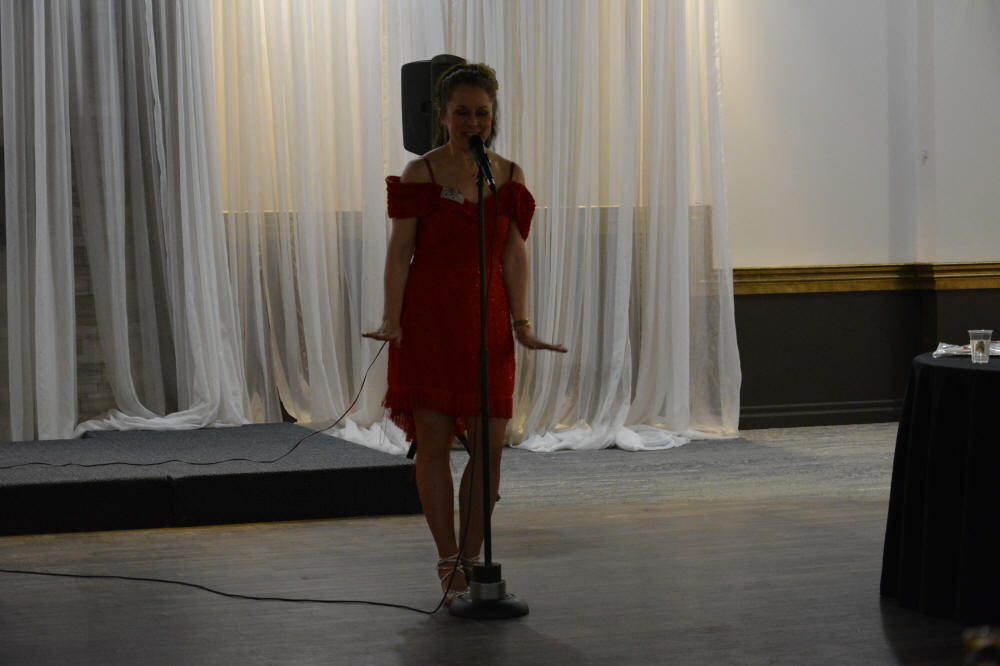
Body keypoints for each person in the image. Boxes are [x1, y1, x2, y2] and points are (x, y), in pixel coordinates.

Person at [363, 63, 566, 603]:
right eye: (462, 113)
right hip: (430, 323)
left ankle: (474, 558)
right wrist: (391, 317)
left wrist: (522, 323)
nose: (473, 122)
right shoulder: (421, 173)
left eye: (482, 113)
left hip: (488, 322)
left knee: (490, 447)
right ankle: (448, 560)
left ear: (493, 115)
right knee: (433, 441)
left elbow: (513, 254)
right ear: (442, 115)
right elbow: (400, 253)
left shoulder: (508, 174)